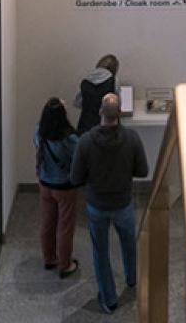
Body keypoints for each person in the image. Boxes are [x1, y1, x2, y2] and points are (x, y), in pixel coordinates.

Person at [69, 93, 149, 314]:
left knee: (100, 251)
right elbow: (143, 171)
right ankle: (132, 279)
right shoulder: (131, 138)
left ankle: (109, 298)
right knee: (128, 243)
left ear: (100, 112)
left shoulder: (85, 141)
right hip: (123, 202)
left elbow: (75, 177)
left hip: (97, 204)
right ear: (120, 113)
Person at [34, 97, 82, 277]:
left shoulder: (39, 131)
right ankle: (65, 264)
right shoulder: (68, 138)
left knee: (47, 223)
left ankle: (49, 258)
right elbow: (78, 156)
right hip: (65, 186)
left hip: (45, 183)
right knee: (65, 226)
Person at [74, 53, 119, 135]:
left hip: (85, 125)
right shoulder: (114, 81)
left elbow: (77, 103)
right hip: (106, 125)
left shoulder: (85, 80)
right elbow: (116, 103)